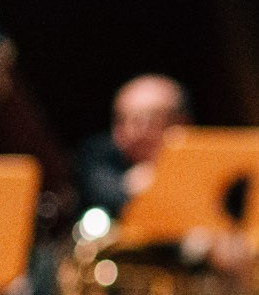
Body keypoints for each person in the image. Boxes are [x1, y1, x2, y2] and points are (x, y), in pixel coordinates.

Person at [75, 74, 190, 222]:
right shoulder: (100, 156)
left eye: (147, 121)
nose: (131, 133)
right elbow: (99, 193)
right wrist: (128, 187)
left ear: (181, 123)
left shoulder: (205, 161)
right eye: (121, 120)